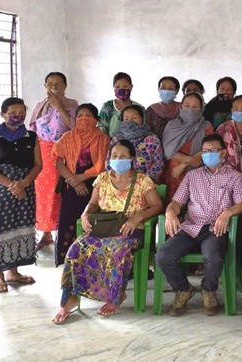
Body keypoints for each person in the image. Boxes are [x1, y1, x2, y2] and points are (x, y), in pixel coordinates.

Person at [52, 140, 162, 324]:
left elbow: (157, 205)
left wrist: (138, 218)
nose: (118, 160)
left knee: (116, 250)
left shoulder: (143, 180)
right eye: (115, 156)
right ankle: (69, 299)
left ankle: (115, 296)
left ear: (132, 158)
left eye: (123, 156)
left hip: (130, 231)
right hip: (103, 228)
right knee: (75, 250)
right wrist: (85, 214)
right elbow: (93, 203)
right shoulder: (102, 178)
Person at [156, 134, 242, 317]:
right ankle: (183, 289)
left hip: (215, 229)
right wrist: (169, 213)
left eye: (213, 151)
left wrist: (228, 213)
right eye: (205, 152)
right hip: (190, 227)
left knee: (213, 256)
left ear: (223, 153)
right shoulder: (192, 175)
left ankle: (208, 290)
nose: (208, 155)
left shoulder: (235, 177)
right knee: (163, 256)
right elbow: (177, 202)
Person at [0, 97, 42, 293]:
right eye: (13, 113)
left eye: (21, 113)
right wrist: (11, 185)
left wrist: (23, 183)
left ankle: (13, 272)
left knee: (19, 227)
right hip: (0, 190)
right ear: (3, 114)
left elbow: (38, 165)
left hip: (24, 190)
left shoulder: (31, 137)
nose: (18, 116)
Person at [52, 104, 111, 266]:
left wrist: (82, 177)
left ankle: (93, 260)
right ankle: (69, 260)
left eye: (88, 115)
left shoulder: (102, 139)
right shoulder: (67, 137)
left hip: (95, 184)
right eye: (80, 116)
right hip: (71, 184)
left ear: (96, 120)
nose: (83, 119)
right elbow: (58, 162)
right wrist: (74, 180)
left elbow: (102, 165)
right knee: (69, 220)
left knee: (93, 222)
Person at [29, 72, 78, 250]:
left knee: (61, 192)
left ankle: (63, 233)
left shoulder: (72, 104)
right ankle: (45, 233)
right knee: (43, 194)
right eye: (50, 83)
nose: (54, 87)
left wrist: (59, 106)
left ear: (65, 86)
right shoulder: (40, 105)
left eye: (58, 83)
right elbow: (32, 129)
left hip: (63, 152)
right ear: (45, 86)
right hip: (41, 153)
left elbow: (73, 127)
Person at [161, 92, 213, 203]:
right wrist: (190, 161)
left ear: (201, 108)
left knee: (196, 206)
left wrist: (184, 164)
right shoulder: (172, 125)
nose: (190, 109)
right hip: (175, 173)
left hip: (199, 172)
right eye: (187, 106)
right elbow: (169, 152)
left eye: (195, 107)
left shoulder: (206, 126)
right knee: (174, 206)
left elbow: (208, 149)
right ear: (181, 107)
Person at [110, 104, 164, 182]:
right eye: (126, 118)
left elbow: (158, 163)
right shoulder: (117, 138)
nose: (130, 121)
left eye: (134, 118)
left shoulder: (152, 139)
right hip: (119, 181)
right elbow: (109, 160)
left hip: (144, 183)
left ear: (143, 119)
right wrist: (116, 178)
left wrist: (144, 180)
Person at [215, 95, 242, 180]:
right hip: (226, 176)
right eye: (236, 109)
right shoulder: (223, 129)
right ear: (231, 110)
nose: (239, 111)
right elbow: (217, 152)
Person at [98, 72, 143, 137]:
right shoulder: (107, 106)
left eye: (125, 86)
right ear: (114, 88)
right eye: (117, 87)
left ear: (131, 87)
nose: (121, 89)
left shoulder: (139, 107)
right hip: (111, 144)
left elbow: (143, 128)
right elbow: (101, 129)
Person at [145, 76, 181, 140]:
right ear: (159, 89)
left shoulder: (182, 108)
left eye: (170, 88)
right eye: (163, 88)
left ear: (177, 91)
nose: (166, 91)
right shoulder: (152, 109)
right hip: (156, 147)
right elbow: (146, 131)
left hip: (179, 146)